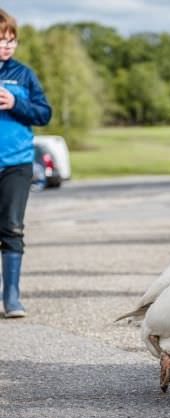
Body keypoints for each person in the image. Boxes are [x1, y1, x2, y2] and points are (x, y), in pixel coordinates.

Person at [0, 9, 52, 317]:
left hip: (17, 164)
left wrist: (15, 103)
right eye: (0, 40)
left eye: (11, 40)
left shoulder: (23, 74)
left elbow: (44, 114)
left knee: (12, 227)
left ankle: (12, 298)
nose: (7, 46)